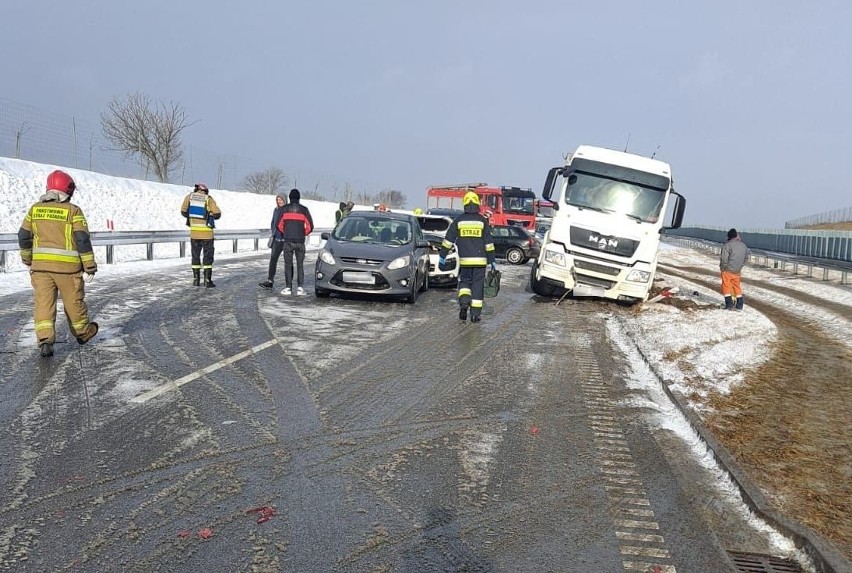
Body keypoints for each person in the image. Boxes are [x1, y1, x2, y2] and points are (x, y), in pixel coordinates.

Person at [17, 170, 99, 357]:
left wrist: (27, 258)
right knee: (73, 302)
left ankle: (45, 340)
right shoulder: (73, 211)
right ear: (67, 191)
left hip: (41, 269)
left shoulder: (35, 210)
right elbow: (82, 239)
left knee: (43, 304)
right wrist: (89, 265)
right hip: (68, 270)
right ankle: (83, 333)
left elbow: (23, 235)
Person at [438, 191, 495, 323]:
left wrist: (442, 256)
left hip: (465, 260)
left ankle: (464, 303)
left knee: (464, 283)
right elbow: (489, 243)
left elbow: (448, 240)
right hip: (480, 261)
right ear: (477, 204)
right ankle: (475, 315)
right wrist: (492, 260)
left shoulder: (458, 221)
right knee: (477, 286)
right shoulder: (482, 221)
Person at [180, 182, 221, 287]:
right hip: (207, 234)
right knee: (207, 256)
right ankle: (207, 281)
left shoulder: (189, 197)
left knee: (195, 256)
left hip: (194, 234)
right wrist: (210, 214)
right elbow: (217, 213)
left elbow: (183, 212)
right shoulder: (208, 199)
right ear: (205, 190)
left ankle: (196, 280)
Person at [277, 188, 314, 296]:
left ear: (289, 198)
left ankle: (288, 287)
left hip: (288, 241)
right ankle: (300, 288)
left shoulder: (284, 209)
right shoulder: (304, 209)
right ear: (299, 198)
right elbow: (310, 226)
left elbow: (279, 225)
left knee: (288, 264)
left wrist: (286, 232)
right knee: (300, 265)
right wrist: (303, 233)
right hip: (300, 241)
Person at [259, 194, 288, 289]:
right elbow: (273, 222)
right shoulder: (276, 210)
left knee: (288, 261)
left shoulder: (288, 210)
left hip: (286, 240)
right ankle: (270, 280)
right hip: (277, 239)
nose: (279, 201)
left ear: (285, 200)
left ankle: (289, 283)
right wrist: (274, 232)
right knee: (273, 260)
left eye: (281, 200)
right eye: (277, 199)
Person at [720, 228, 749, 310]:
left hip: (727, 270)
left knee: (726, 286)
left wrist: (723, 268)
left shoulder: (727, 245)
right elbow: (746, 257)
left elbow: (724, 259)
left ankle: (729, 304)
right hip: (737, 270)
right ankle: (739, 305)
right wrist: (740, 266)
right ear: (736, 235)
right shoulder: (743, 245)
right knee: (737, 286)